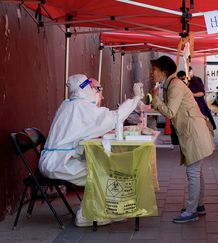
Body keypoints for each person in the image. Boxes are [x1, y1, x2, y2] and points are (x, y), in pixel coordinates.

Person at [39, 74, 144, 227]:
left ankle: (109, 210)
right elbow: (115, 117)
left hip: (56, 161)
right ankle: (87, 216)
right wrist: (135, 99)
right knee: (99, 172)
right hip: (58, 164)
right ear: (86, 88)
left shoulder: (68, 104)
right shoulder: (80, 106)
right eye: (93, 87)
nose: (96, 91)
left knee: (101, 168)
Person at [150, 56, 214, 223]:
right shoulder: (171, 84)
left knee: (193, 172)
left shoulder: (175, 85)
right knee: (197, 171)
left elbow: (170, 112)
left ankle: (192, 211)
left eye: (154, 69)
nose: (152, 73)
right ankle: (198, 206)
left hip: (194, 133)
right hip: (193, 131)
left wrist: (155, 99)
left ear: (163, 71)